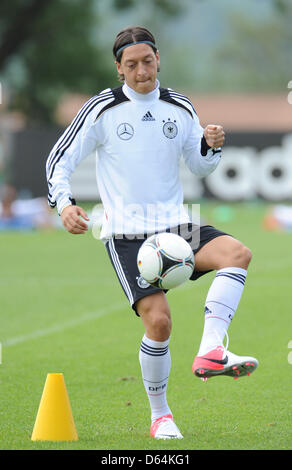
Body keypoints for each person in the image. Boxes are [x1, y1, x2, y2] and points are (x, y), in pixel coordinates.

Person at [46, 26, 258, 440]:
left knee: (238, 254)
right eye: (131, 65)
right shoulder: (101, 109)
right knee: (159, 323)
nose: (140, 71)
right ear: (118, 68)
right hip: (127, 234)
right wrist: (64, 203)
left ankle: (212, 349)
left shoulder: (179, 106)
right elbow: (60, 159)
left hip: (175, 226)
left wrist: (210, 145)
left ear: (158, 58)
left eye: (147, 61)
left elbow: (200, 167)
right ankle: (160, 415)